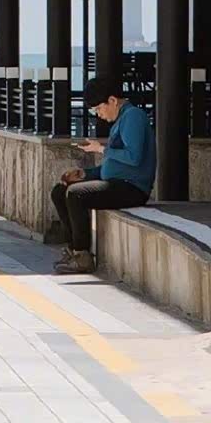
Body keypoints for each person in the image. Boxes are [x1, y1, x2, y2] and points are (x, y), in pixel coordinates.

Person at [50, 75, 156, 275]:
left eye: (99, 108)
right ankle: (73, 250)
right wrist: (84, 174)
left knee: (76, 194)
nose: (98, 114)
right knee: (60, 190)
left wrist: (101, 149)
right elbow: (112, 166)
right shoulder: (120, 121)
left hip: (132, 187)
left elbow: (134, 158)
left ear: (113, 100)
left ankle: (82, 255)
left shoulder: (133, 117)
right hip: (116, 181)